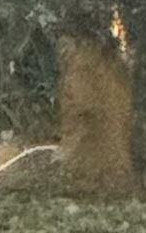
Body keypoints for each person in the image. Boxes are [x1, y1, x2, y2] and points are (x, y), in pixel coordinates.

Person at [55, 17, 136, 199]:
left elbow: (80, 105)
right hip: (117, 170)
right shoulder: (113, 66)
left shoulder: (83, 67)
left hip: (93, 172)